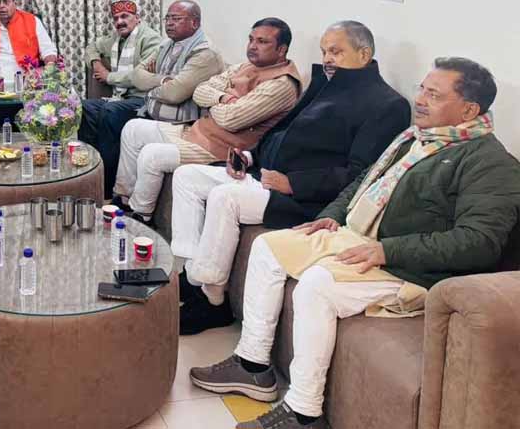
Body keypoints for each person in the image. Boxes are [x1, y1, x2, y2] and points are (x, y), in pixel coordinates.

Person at [190, 58, 520, 429]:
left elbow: (479, 242)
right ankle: (252, 366)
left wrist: (387, 251)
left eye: (434, 94)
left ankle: (303, 413)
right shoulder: (416, 138)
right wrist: (332, 214)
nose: (420, 100)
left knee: (317, 285)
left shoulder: (491, 163)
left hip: (408, 268)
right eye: (422, 89)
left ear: (469, 110)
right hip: (359, 236)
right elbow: (364, 181)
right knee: (269, 248)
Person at [173, 21, 410, 335]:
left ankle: (212, 301)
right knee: (187, 177)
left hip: (303, 199)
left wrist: (294, 184)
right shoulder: (326, 82)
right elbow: (282, 131)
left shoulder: (387, 105)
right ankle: (191, 276)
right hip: (265, 176)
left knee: (225, 198)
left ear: (364, 54)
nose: (327, 59)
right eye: (324, 51)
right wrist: (249, 157)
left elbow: (360, 175)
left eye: (336, 51)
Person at [113, 18, 301, 225]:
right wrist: (224, 98)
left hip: (220, 149)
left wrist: (214, 103)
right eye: (251, 39)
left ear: (282, 49)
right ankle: (123, 199)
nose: (252, 46)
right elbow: (200, 91)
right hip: (197, 131)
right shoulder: (245, 66)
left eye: (262, 42)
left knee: (151, 155)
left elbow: (231, 120)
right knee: (133, 128)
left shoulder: (282, 84)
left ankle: (140, 217)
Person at [89, 0, 224, 197]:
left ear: (194, 22)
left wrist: (152, 88)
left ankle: (109, 190)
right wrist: (163, 80)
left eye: (176, 18)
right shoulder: (166, 45)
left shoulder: (204, 53)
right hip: (152, 108)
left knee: (113, 114)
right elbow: (137, 75)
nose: (169, 23)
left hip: (180, 122)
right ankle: (97, 181)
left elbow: (175, 93)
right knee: (89, 110)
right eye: (167, 18)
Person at [78, 0, 162, 187]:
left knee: (110, 111)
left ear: (137, 18)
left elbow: (139, 76)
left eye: (125, 16)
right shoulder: (116, 39)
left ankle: (106, 185)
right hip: (120, 97)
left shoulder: (151, 39)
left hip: (143, 100)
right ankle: (88, 172)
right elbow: (91, 48)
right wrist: (96, 64)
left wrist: (109, 77)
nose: (119, 22)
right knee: (84, 107)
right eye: (115, 18)